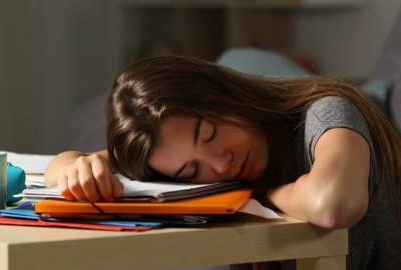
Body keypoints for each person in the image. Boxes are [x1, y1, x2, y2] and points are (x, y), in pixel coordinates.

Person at [45, 55, 401, 269]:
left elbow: (333, 206)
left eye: (211, 134)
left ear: (224, 93)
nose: (219, 167)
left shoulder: (326, 114)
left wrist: (261, 195)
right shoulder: (185, 161)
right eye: (190, 171)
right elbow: (65, 168)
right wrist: (73, 166)